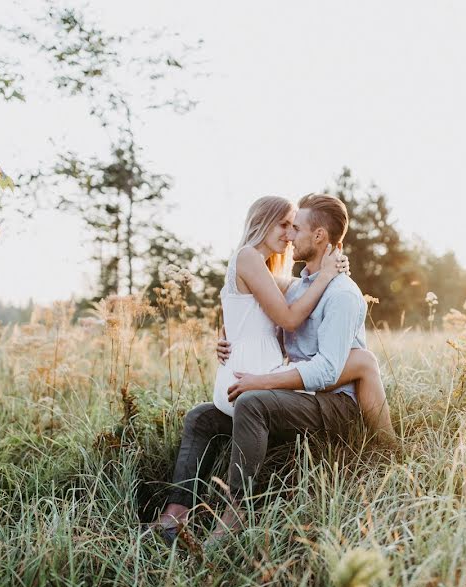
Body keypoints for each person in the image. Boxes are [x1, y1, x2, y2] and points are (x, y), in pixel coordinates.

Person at [154, 194, 392, 546]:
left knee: (252, 402)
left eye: (297, 227)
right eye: (287, 226)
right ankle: (174, 516)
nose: (291, 235)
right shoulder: (301, 286)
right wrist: (224, 336)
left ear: (320, 237)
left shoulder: (341, 293)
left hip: (335, 405)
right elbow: (250, 305)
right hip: (299, 396)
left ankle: (234, 518)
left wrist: (261, 382)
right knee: (202, 417)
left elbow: (327, 372)